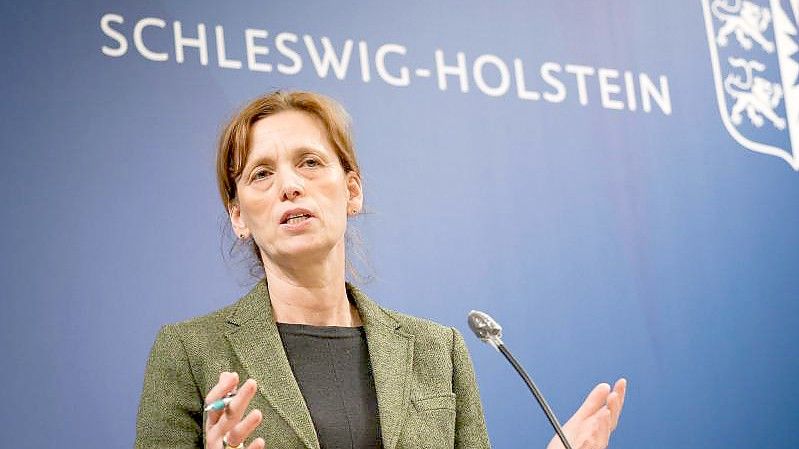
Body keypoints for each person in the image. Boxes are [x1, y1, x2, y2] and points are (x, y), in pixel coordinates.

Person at [134, 90, 627, 449]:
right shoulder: (190, 352)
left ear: (352, 191)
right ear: (238, 215)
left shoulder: (439, 352)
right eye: (261, 173)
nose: (289, 185)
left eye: (309, 162)